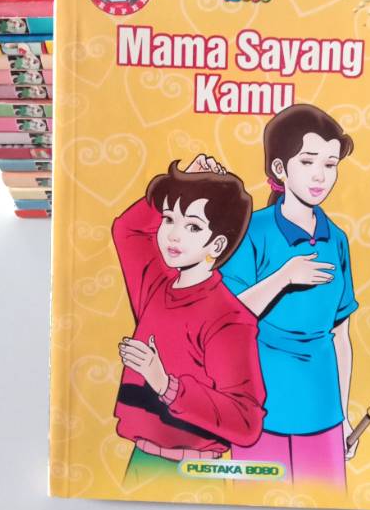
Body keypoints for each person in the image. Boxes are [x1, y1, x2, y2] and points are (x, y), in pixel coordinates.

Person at [220, 104, 358, 488]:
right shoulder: (252, 231)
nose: (320, 175)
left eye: (330, 164)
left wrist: (344, 414)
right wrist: (283, 277)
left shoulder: (337, 239)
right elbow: (226, 316)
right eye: (308, 161)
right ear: (280, 168)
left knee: (327, 503)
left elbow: (341, 336)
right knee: (255, 505)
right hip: (259, 410)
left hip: (323, 411)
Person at [112, 156, 265, 487]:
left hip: (195, 472)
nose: (173, 235)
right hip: (141, 459)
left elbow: (246, 422)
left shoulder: (229, 319)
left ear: (217, 244)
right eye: (169, 219)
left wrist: (165, 384)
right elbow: (129, 230)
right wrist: (187, 180)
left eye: (192, 226)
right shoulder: (156, 285)